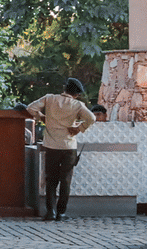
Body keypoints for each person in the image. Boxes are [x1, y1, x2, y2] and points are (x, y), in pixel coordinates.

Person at [26, 78, 96, 222]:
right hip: (69, 147)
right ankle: (61, 213)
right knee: (65, 181)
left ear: (65, 88)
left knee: (51, 180)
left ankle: (50, 212)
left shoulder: (50, 99)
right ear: (76, 94)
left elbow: (30, 108)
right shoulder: (77, 105)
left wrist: (43, 117)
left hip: (51, 146)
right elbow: (92, 118)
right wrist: (79, 128)